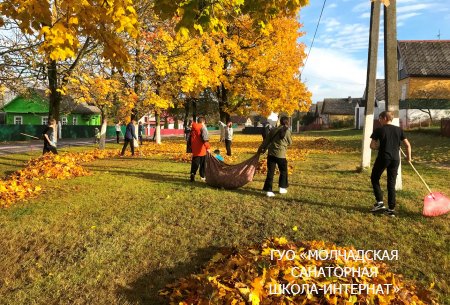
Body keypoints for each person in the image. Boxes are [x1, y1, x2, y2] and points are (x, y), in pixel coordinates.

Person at [370, 111, 411, 217]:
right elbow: (407, 145)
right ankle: (391, 209)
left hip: (384, 157)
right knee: (391, 184)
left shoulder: (379, 130)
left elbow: (372, 145)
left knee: (374, 178)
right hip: (395, 159)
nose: (379, 120)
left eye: (379, 118)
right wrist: (408, 157)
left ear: (384, 118)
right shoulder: (399, 130)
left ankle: (380, 203)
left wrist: (379, 147)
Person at [258, 116, 292, 197]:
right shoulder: (287, 131)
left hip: (271, 154)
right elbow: (290, 143)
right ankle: (282, 188)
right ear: (287, 122)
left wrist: (260, 149)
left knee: (270, 172)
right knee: (283, 171)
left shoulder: (273, 130)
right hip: (281, 155)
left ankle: (268, 190)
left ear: (280, 122)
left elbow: (266, 141)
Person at [190, 116, 210, 182]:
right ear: (203, 122)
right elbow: (205, 139)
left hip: (195, 149)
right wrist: (208, 148)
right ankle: (202, 176)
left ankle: (193, 174)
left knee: (195, 163)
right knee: (202, 164)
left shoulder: (193, 127)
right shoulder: (203, 128)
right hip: (202, 149)